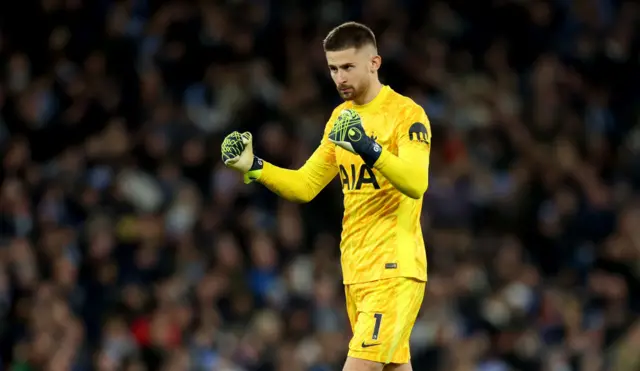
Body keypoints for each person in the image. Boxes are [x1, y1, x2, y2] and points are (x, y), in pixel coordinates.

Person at [221, 21, 431, 371]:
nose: (340, 78)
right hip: (356, 272)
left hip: (393, 270)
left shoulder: (407, 115)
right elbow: (305, 185)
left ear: (374, 63)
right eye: (333, 69)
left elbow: (416, 182)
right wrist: (253, 165)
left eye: (348, 67)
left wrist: (367, 146)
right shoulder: (341, 118)